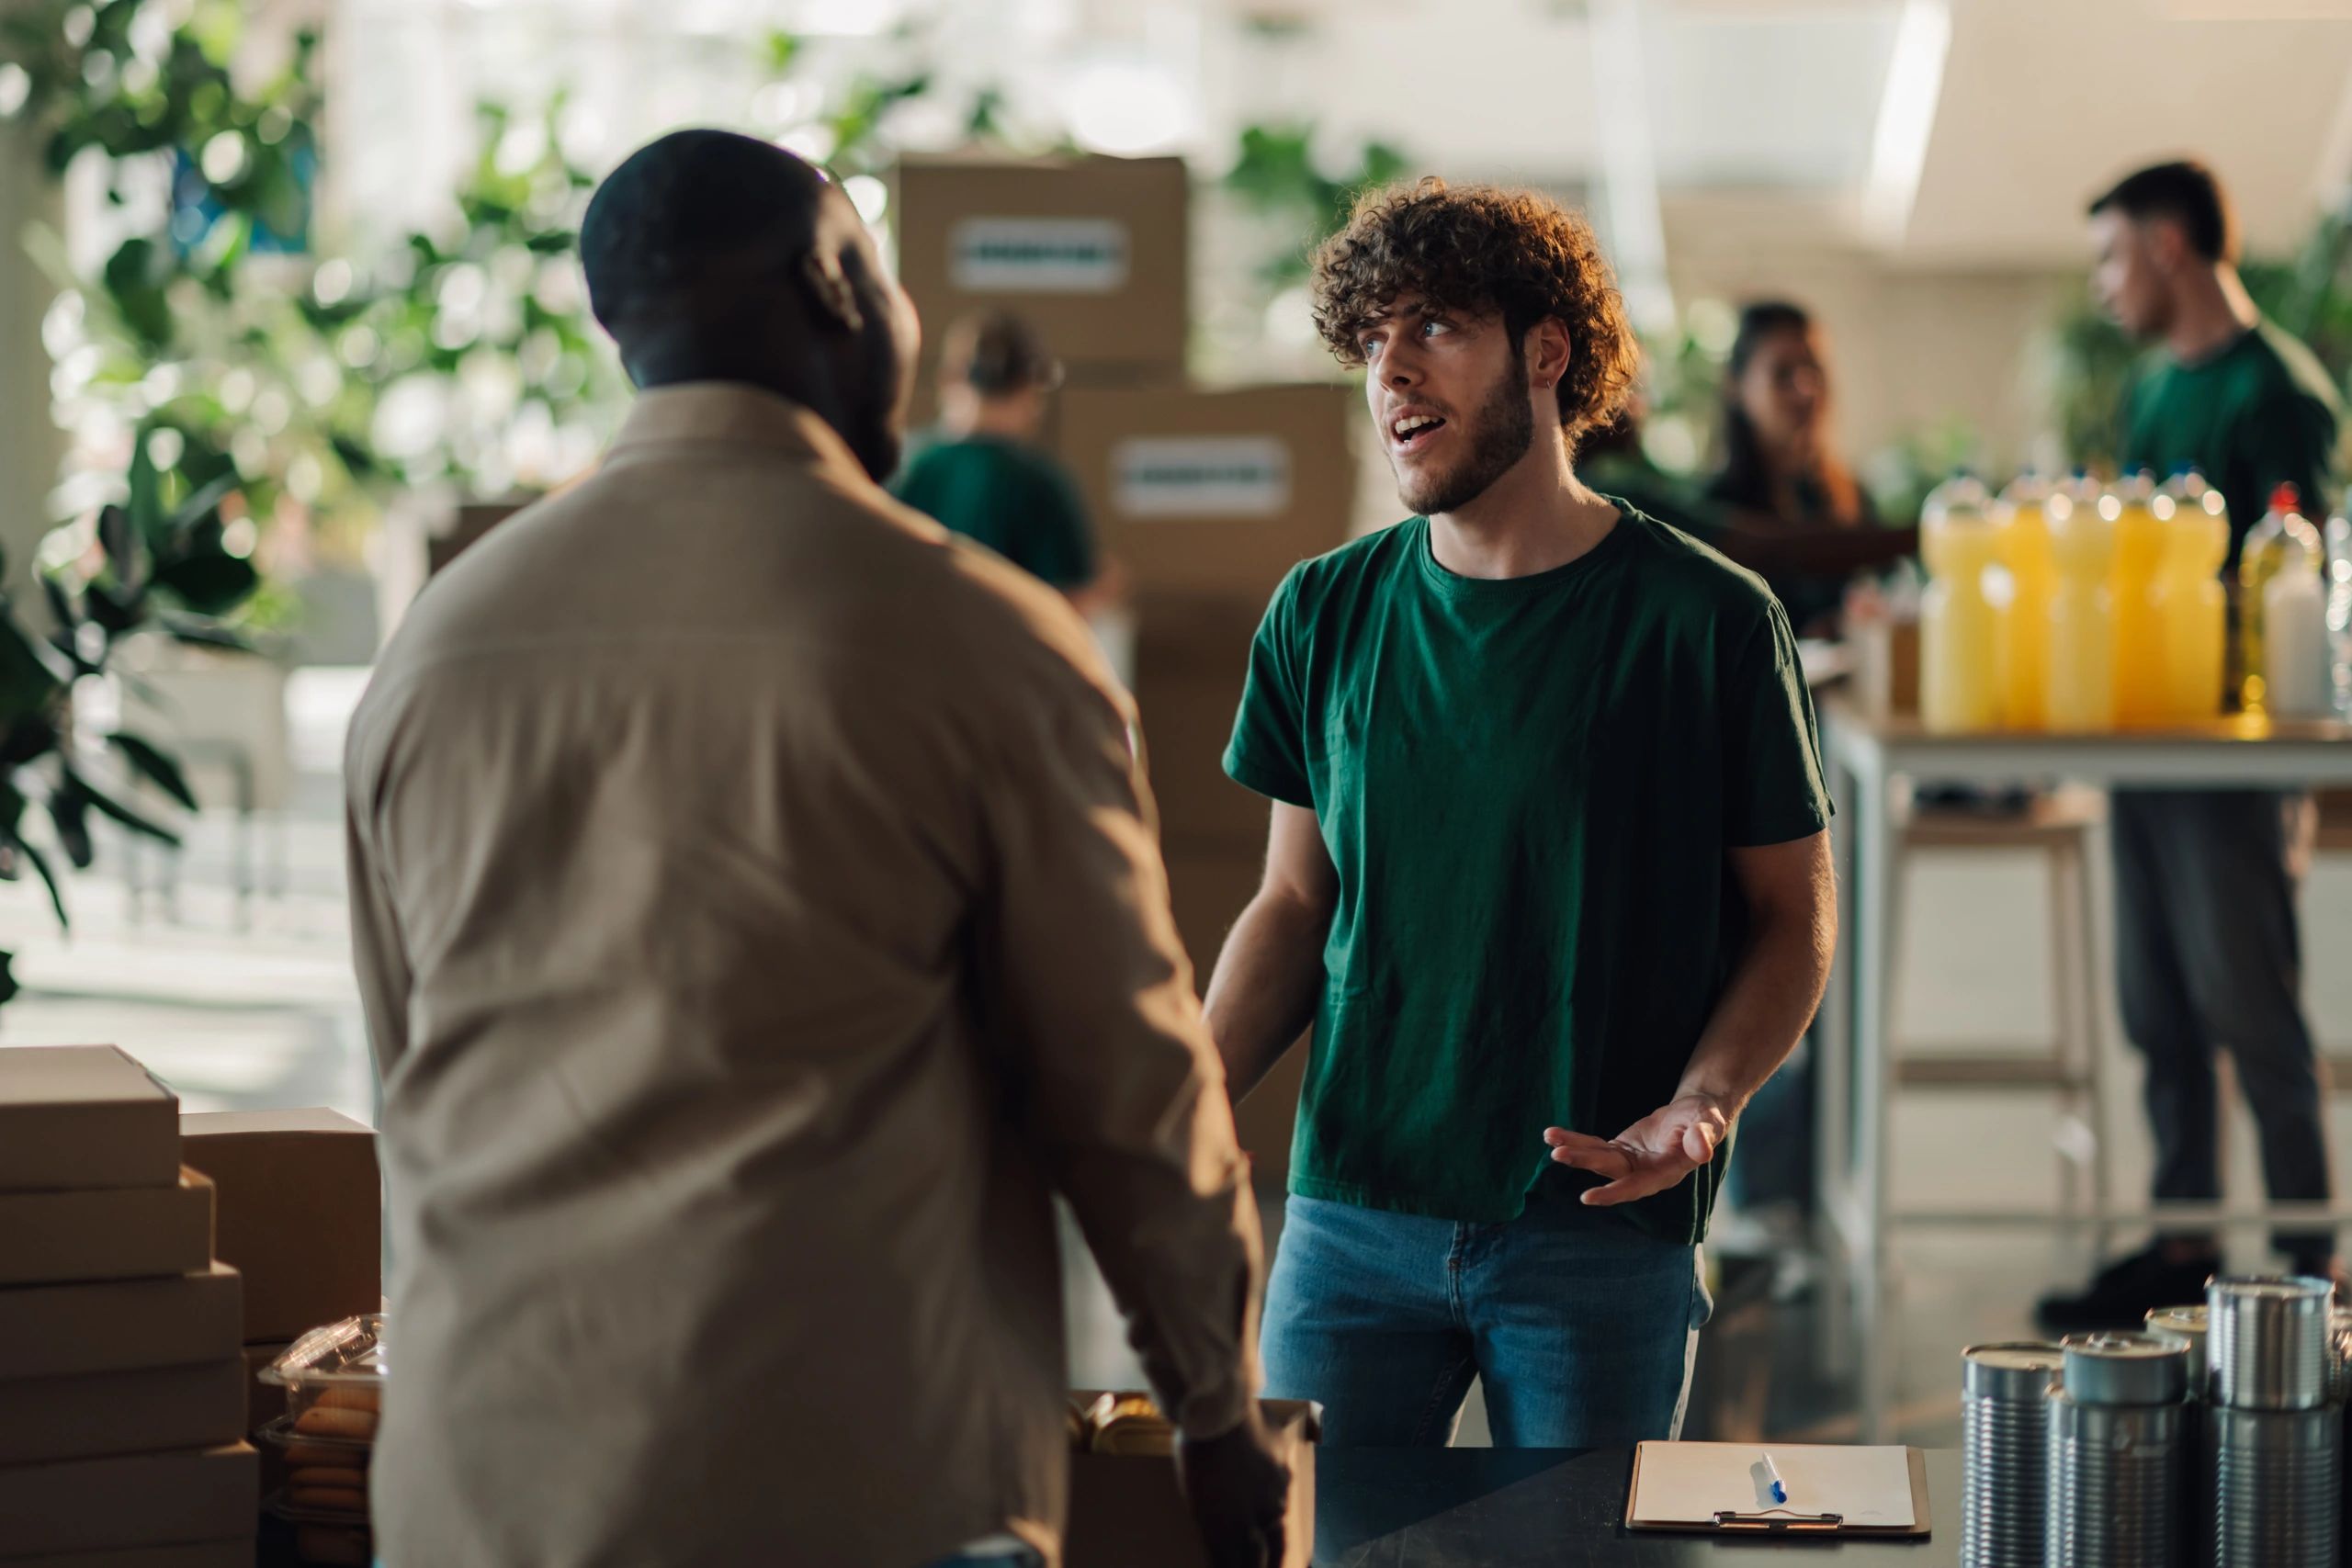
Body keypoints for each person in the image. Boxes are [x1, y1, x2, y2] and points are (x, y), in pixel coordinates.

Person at [344, 129, 1287, 1568]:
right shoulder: (983, 643)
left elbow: (409, 1073)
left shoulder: (437, 646)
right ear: (836, 286)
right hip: (850, 1490)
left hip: (479, 1491)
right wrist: (1216, 1411)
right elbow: (1130, 1095)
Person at [1203, 177, 1838, 1448]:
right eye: (1370, 340)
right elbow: (1293, 901)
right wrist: (1190, 1098)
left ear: (1547, 352)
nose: (1391, 369)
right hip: (1351, 1216)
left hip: (1598, 1218)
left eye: (1434, 325)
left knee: (1576, 1541)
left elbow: (1793, 914)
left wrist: (1706, 1101)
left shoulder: (1707, 620)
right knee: (1317, 1536)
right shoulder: (1322, 612)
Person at [2038, 160, 2344, 1331]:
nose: (2103, 284)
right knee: (2156, 1010)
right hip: (2145, 741)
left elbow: (2292, 579)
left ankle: (2314, 1270)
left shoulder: (2278, 393)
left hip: (2228, 754)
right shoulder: (2154, 387)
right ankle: (2183, 1245)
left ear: (2168, 245)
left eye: (2111, 256)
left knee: (2247, 1009)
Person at [1703, 300, 1912, 637]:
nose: (1805, 390)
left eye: (1814, 370)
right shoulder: (1716, 512)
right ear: (1737, 386)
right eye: (1783, 374)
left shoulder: (1851, 496)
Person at [891, 310, 1119, 615]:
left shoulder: (901, 467)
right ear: (1032, 389)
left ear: (949, 377)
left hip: (914, 642)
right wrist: (1100, 588)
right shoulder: (1041, 484)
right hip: (1002, 645)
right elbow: (1067, 606)